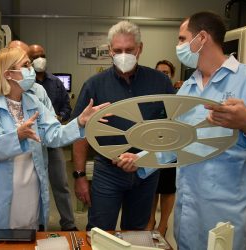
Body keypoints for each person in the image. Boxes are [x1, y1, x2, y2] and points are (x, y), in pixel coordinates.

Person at [116, 11, 246, 250]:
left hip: (226, 212)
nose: (178, 46)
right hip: (187, 211)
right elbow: (178, 142)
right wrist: (141, 160)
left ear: (202, 38)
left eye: (181, 38)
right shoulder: (188, 88)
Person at [0, 47, 109, 232]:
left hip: (29, 190)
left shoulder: (32, 101)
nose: (32, 69)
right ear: (9, 74)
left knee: (29, 234)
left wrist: (80, 123)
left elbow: (54, 134)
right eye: (26, 65)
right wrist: (18, 135)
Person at [71, 20, 175, 231]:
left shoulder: (160, 83)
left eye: (129, 49)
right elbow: (79, 133)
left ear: (140, 48)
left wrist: (144, 158)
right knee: (99, 231)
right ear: (109, 50)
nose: (123, 55)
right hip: (108, 172)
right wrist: (80, 176)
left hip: (146, 172)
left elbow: (171, 128)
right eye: (118, 50)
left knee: (136, 232)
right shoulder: (95, 85)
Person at [28, 44, 77, 231]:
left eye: (42, 55)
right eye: (35, 56)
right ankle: (38, 224)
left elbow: (66, 106)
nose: (40, 59)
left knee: (61, 184)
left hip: (53, 140)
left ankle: (69, 223)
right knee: (33, 186)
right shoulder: (27, 86)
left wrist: (60, 117)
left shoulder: (56, 82)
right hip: (33, 141)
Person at [145, 60, 176, 237]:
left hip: (171, 148)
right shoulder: (150, 96)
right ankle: (150, 220)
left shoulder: (177, 95)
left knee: (167, 188)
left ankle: (163, 225)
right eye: (159, 72)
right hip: (152, 146)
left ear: (172, 75)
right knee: (152, 187)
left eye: (166, 72)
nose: (162, 75)